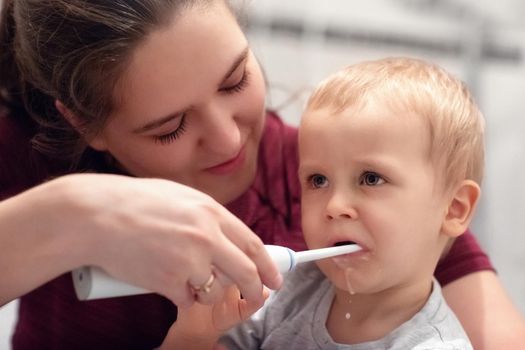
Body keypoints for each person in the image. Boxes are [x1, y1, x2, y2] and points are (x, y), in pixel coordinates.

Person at [0, 0, 523, 349]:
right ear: (80, 122)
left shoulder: (374, 205)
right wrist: (69, 216)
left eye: (235, 81)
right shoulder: (32, 153)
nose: (230, 141)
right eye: (170, 128)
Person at [165, 56, 485, 349]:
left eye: (371, 178)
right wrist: (196, 335)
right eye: (318, 180)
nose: (334, 206)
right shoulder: (287, 291)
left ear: (454, 208)